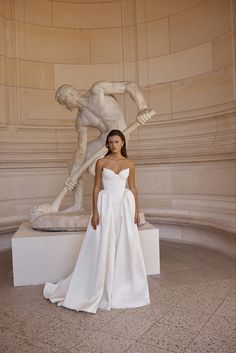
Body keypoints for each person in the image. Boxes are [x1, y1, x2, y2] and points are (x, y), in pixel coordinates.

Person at [43, 129, 150, 313]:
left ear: (123, 143)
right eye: (110, 142)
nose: (113, 145)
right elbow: (96, 188)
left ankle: (123, 287)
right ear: (107, 144)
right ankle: (98, 284)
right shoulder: (101, 162)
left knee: (124, 244)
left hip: (124, 208)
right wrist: (95, 212)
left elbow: (133, 188)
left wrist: (136, 210)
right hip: (106, 207)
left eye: (116, 142)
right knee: (103, 244)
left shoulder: (130, 163)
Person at [55, 81, 151, 212]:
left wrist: (142, 109)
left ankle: (113, 203)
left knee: (94, 169)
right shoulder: (81, 120)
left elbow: (130, 86)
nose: (65, 107)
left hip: (120, 136)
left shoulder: (97, 90)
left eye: (64, 103)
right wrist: (73, 176)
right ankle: (78, 205)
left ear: (70, 95)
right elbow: (81, 150)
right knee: (73, 163)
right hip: (105, 139)